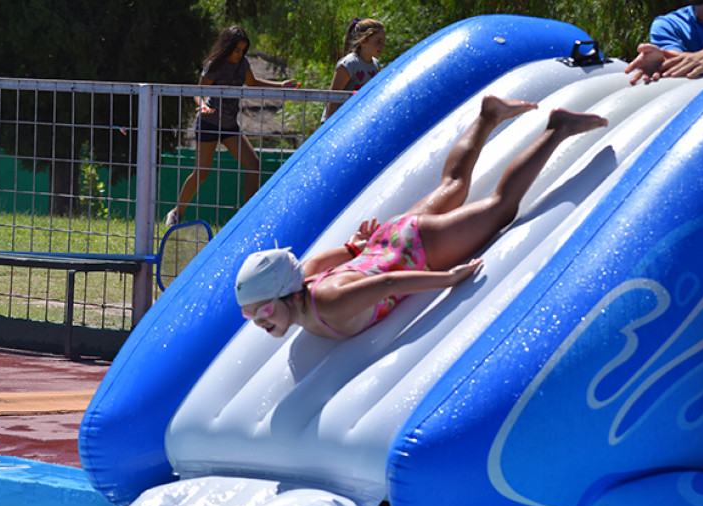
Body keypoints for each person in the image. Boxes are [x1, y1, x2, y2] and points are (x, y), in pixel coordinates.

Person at [236, 96, 608, 339]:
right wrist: (356, 247)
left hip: (419, 248)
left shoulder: (327, 301)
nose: (260, 321)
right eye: (252, 316)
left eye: (264, 310)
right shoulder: (311, 270)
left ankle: (557, 128)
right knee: (454, 184)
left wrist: (446, 278)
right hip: (389, 238)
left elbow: (387, 285)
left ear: (287, 293)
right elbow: (345, 254)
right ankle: (488, 116)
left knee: (501, 208)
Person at [166, 26, 300, 227]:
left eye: (243, 50)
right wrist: (202, 107)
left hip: (229, 126)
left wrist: (280, 86)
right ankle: (177, 213)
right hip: (209, 124)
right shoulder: (215, 65)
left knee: (253, 164)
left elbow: (252, 83)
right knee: (202, 171)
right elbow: (198, 91)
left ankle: (249, 217)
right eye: (236, 50)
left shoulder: (242, 64)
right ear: (227, 47)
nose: (239, 54)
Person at [321, 18, 386, 124]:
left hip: (356, 121)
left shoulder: (375, 64)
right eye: (378, 41)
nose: (382, 46)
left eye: (383, 41)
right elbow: (333, 97)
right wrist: (329, 125)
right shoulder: (350, 63)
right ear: (363, 41)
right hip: (337, 121)